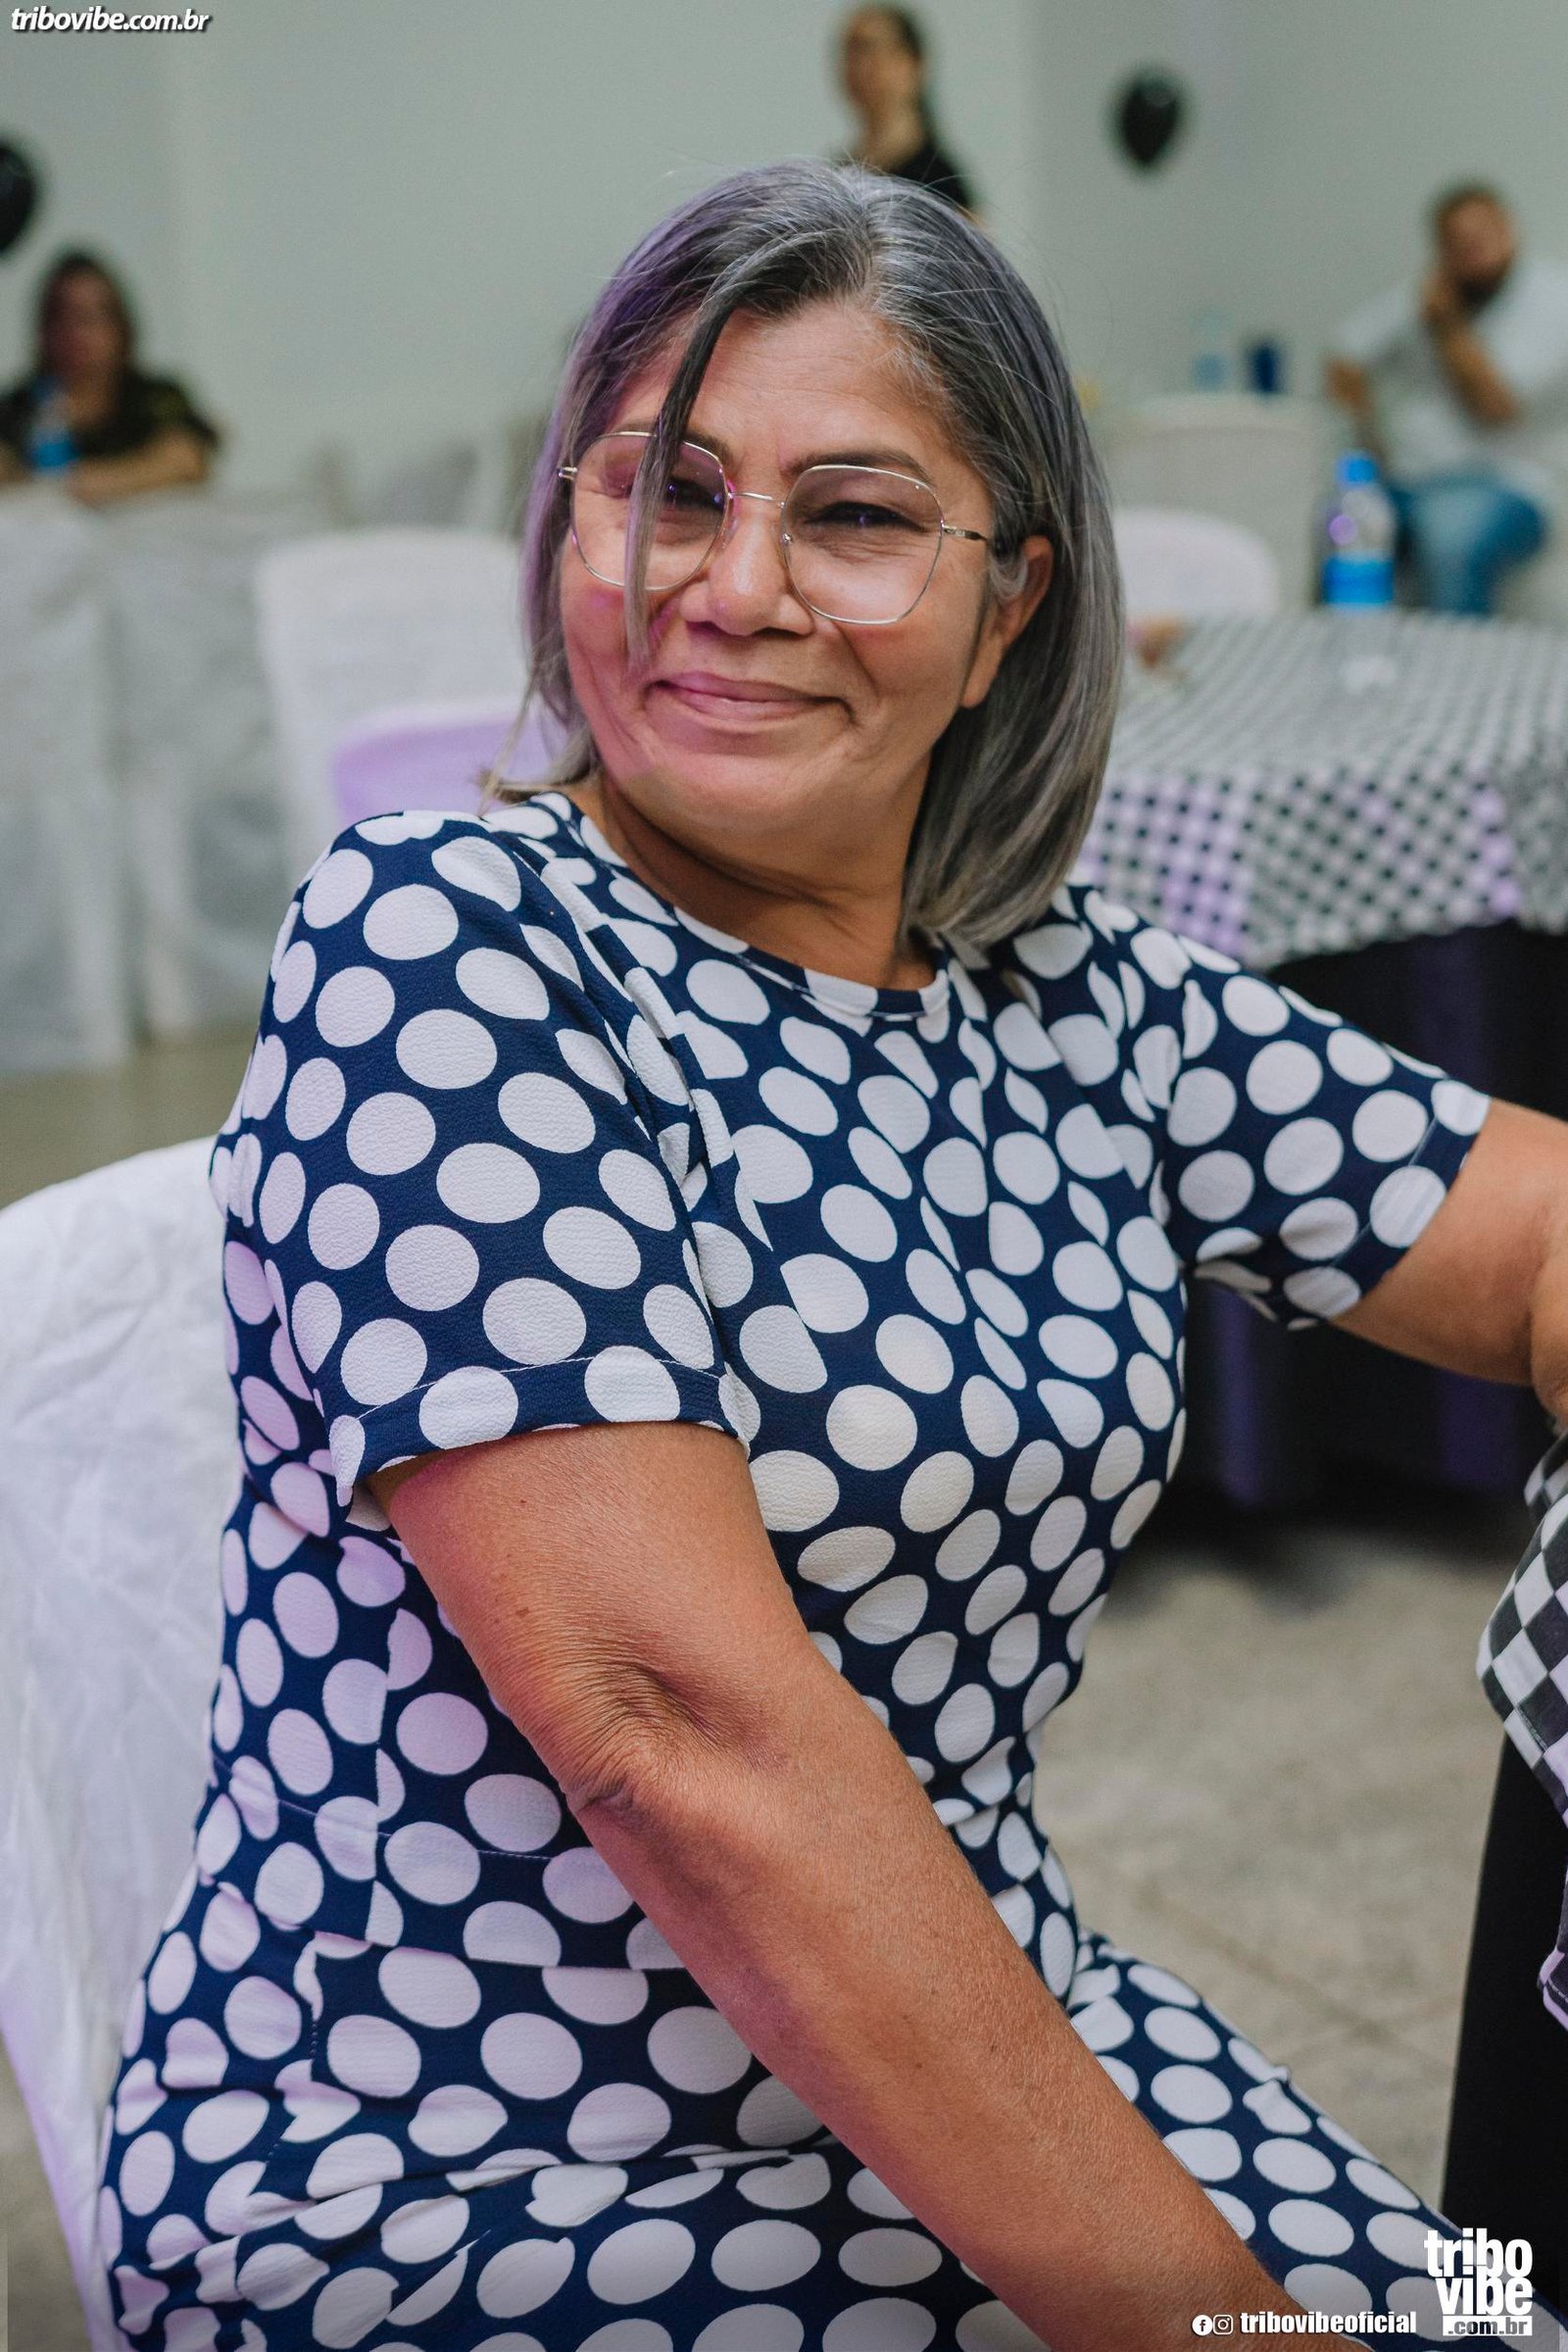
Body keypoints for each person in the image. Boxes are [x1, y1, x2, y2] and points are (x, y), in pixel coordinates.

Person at [98, 163, 1568, 2350]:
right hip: (473, 2169)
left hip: (971, 2032)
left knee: (1494, 2305)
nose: (732, 587)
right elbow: (677, 1737)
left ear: (1009, 607)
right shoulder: (448, 942)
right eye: (665, 491)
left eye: (855, 516)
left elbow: (1527, 1229)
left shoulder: (1061, 991)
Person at [1326, 184, 1568, 614]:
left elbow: (1495, 408)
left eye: (1481, 237)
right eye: (1458, 242)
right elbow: (1345, 355)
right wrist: (1367, 437)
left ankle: (1460, 661)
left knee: (1450, 539)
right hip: (1406, 478)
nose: (1472, 251)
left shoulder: (1552, 301)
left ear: (1508, 230)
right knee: (1337, 526)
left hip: (1507, 484)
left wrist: (1447, 326)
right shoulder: (1426, 292)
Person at [0, 249, 219, 505]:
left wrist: (96, 482)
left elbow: (188, 459)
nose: (76, 333)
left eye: (90, 318)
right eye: (63, 317)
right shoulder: (18, 406)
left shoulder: (152, 396)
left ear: (120, 326)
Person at [838, 4, 977, 215]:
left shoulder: (942, 183)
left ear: (912, 64)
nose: (858, 67)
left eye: (869, 50)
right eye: (850, 52)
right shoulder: (839, 172)